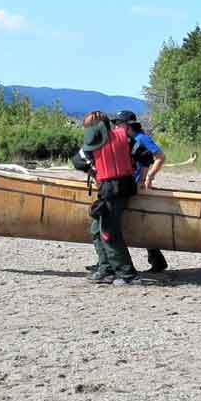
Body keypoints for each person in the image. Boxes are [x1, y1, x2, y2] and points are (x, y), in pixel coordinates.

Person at [76, 111, 141, 286]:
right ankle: (106, 270)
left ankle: (128, 275)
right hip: (125, 187)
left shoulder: (93, 143)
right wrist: (140, 175)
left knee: (108, 233)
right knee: (96, 230)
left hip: (111, 191)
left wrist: (92, 169)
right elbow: (145, 155)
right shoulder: (126, 138)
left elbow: (78, 161)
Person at [111, 110, 169, 273]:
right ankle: (156, 260)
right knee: (135, 222)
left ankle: (155, 260)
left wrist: (148, 177)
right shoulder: (123, 139)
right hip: (127, 185)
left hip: (137, 186)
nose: (116, 126)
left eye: (119, 123)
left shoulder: (141, 138)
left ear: (128, 124)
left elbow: (160, 156)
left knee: (134, 222)